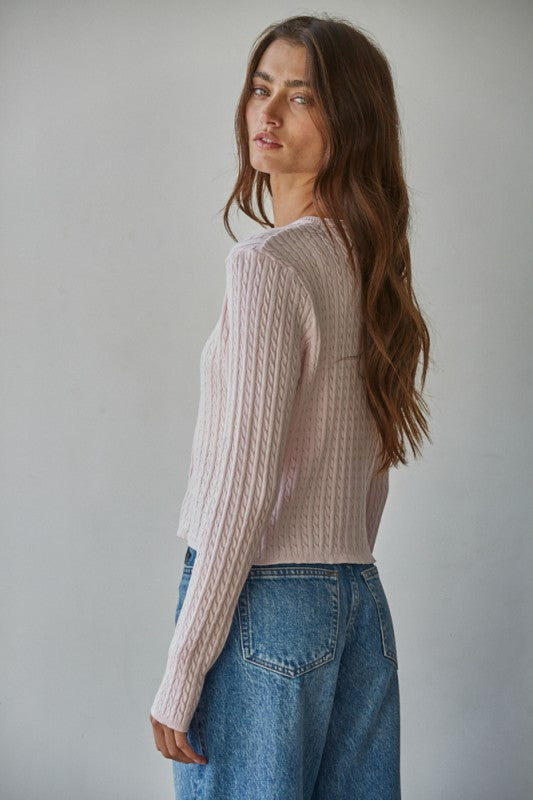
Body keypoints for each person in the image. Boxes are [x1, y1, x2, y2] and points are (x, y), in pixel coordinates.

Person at [150, 12, 431, 800]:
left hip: (262, 604)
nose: (267, 113)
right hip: (357, 600)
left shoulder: (267, 264)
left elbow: (241, 490)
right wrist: (331, 576)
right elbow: (372, 473)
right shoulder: (369, 265)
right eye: (259, 88)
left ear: (350, 122)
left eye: (301, 97)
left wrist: (182, 670)